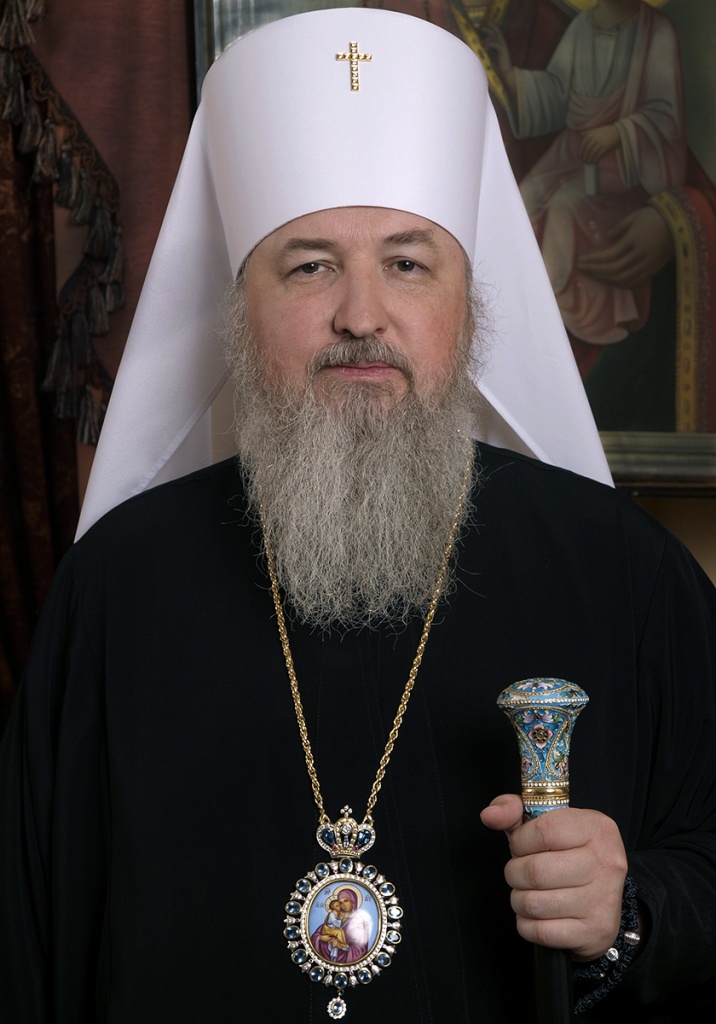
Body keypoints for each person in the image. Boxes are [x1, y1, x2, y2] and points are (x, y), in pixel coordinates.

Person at [0, 8, 714, 1023]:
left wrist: (630, 913)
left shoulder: (623, 574)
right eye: (310, 265)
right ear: (239, 309)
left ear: (471, 305)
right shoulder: (116, 591)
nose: (361, 315)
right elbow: (29, 944)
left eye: (408, 263)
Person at [482, 0, 687, 346]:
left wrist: (618, 133)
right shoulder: (582, 27)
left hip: (623, 163)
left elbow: (665, 116)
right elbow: (556, 93)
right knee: (523, 200)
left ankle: (556, 326)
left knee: (564, 208)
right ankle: (515, 316)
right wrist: (508, 73)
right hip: (571, 150)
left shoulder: (657, 31)